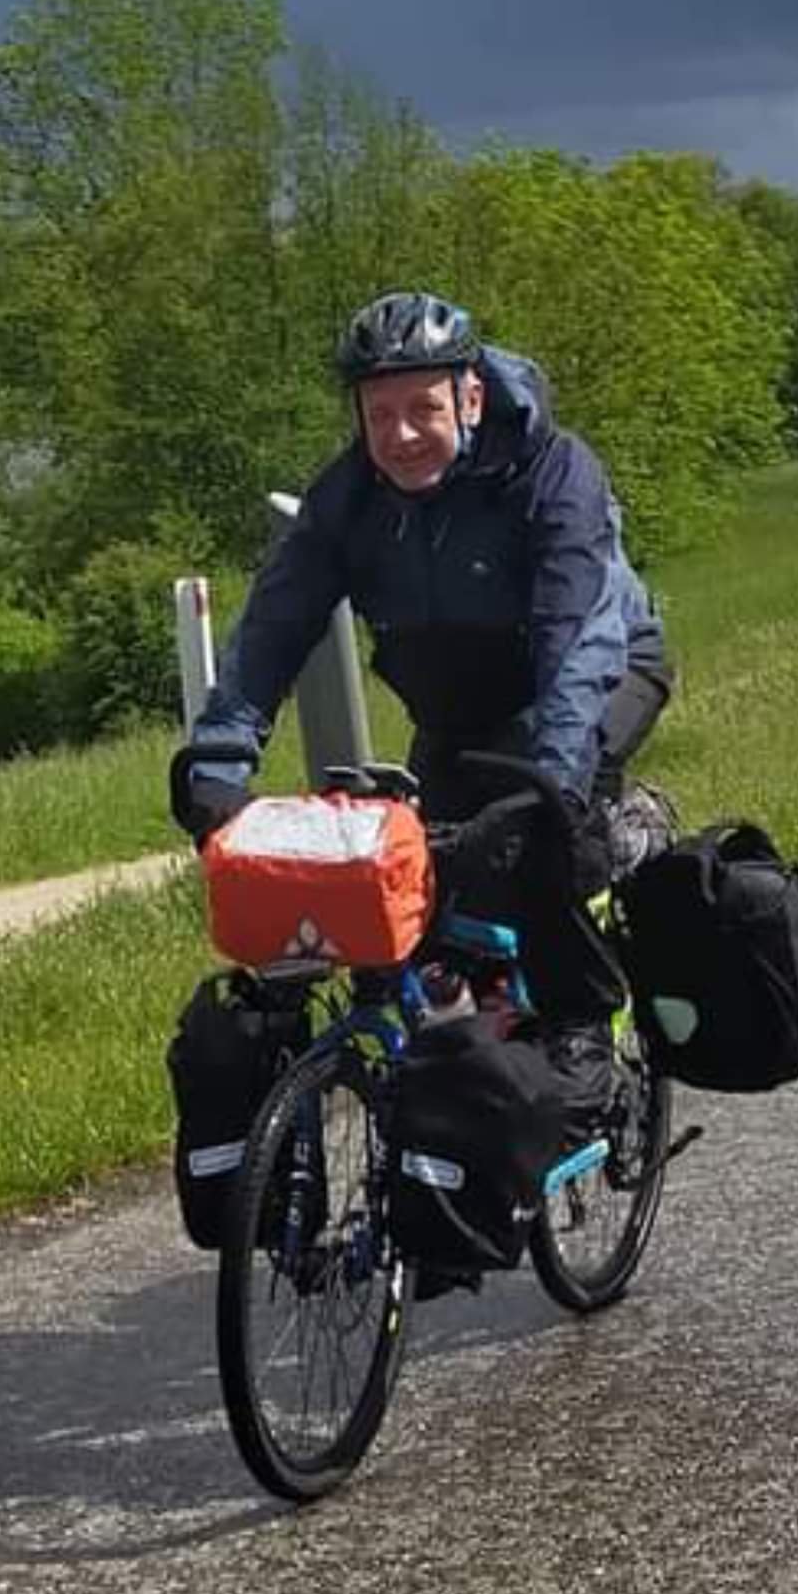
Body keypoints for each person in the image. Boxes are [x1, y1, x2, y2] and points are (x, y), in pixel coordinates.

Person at [173, 289, 673, 1120]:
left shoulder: (554, 473)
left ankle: (586, 1015)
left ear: (470, 398)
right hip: (459, 711)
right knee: (423, 896)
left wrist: (549, 786)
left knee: (546, 841)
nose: (400, 436)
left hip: (602, 672)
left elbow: (576, 641)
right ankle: (469, 1096)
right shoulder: (348, 499)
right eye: (379, 414)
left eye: (423, 409)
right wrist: (219, 759)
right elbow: (272, 630)